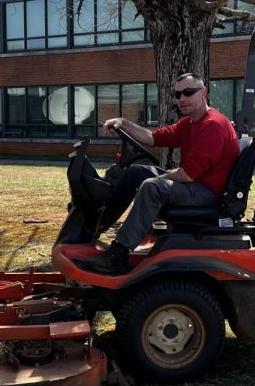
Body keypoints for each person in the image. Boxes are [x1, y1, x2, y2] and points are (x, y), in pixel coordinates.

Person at [87, 72, 240, 274]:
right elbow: (152, 138)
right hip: (194, 182)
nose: (182, 99)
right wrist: (123, 123)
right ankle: (99, 225)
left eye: (188, 92)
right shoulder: (190, 122)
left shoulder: (213, 125)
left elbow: (187, 175)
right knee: (134, 173)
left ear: (203, 92)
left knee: (152, 186)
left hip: (208, 192)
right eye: (178, 95)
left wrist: (159, 177)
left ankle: (120, 252)